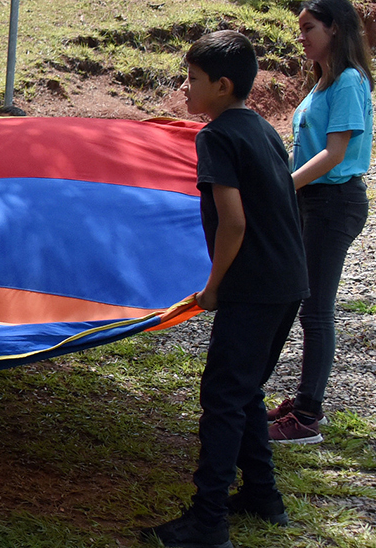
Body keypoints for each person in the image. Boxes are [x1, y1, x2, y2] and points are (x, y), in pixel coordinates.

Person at [142, 30, 309, 548]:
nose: (184, 89)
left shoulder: (215, 137)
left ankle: (208, 521)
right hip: (287, 280)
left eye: (192, 80)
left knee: (222, 397)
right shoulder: (260, 127)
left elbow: (232, 222)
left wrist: (214, 286)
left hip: (253, 285)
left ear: (222, 85)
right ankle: (263, 497)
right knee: (244, 391)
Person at [266, 0, 375, 445]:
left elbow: (335, 154)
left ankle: (308, 415)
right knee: (297, 301)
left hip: (334, 203)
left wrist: (280, 187)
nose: (302, 38)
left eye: (309, 28)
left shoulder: (348, 81)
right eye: (301, 30)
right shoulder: (323, 82)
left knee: (315, 310)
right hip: (311, 202)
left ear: (335, 29)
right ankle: (301, 402)